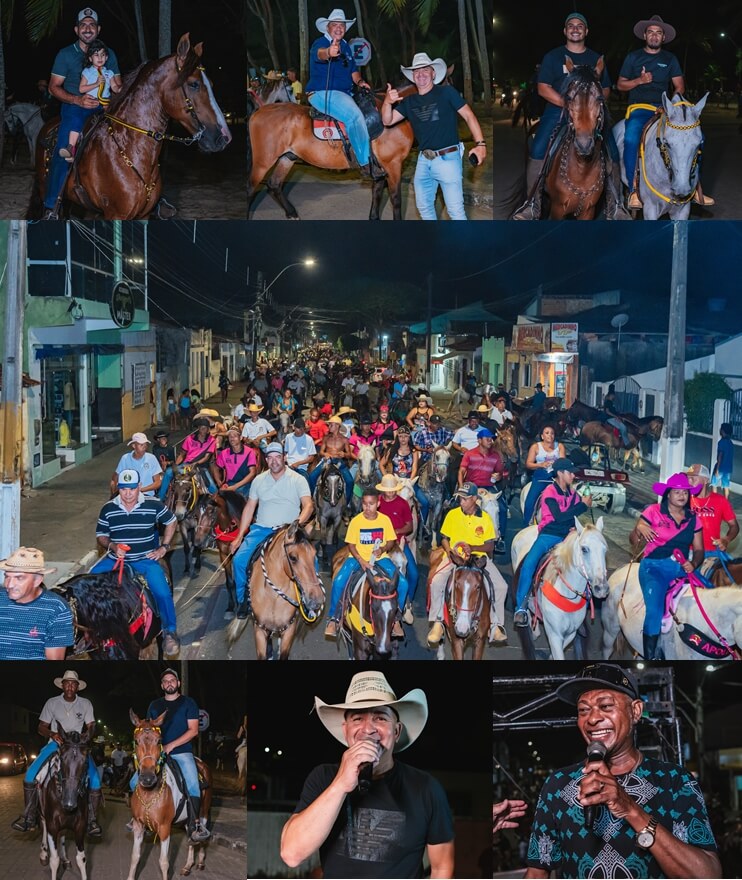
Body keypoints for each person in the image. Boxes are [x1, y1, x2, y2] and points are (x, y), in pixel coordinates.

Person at [525, 663, 720, 879]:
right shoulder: (558, 784)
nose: (592, 719)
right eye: (583, 710)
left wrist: (630, 810)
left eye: (606, 706)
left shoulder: (675, 781)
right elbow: (537, 872)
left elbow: (708, 875)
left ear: (635, 711)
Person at [281, 671, 454, 877]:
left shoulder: (426, 787)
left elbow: (442, 867)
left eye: (380, 717)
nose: (368, 729)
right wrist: (341, 785)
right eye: (357, 718)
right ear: (346, 731)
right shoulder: (323, 778)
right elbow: (291, 854)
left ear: (397, 731)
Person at [512, 13, 620, 221]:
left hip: (590, 113)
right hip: (558, 110)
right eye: (571, 26)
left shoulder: (595, 59)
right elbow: (543, 88)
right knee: (538, 146)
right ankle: (532, 203)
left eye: (580, 26)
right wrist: (570, 105)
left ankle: (616, 205)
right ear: (565, 31)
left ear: (586, 31)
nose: (576, 28)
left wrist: (592, 104)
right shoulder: (553, 57)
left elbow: (605, 89)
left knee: (612, 149)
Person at [618, 14, 713, 210]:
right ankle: (634, 190)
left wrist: (672, 105)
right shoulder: (633, 57)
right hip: (640, 108)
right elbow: (620, 85)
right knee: (630, 139)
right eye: (650, 32)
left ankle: (695, 187)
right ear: (645, 35)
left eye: (658, 33)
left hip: (667, 109)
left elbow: (679, 86)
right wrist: (639, 81)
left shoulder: (670, 59)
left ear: (663, 38)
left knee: (699, 137)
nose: (654, 36)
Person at [382, 52, 486, 221]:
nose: (421, 74)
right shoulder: (409, 101)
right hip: (424, 161)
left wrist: (480, 144)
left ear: (433, 73)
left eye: (425, 69)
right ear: (413, 76)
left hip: (448, 158)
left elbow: (469, 116)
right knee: (424, 207)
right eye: (416, 71)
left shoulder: (446, 93)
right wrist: (387, 102)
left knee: (455, 212)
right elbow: (388, 120)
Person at [42, 7, 121, 219]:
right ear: (77, 30)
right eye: (83, 25)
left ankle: (151, 197)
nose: (88, 29)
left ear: (98, 29)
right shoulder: (65, 54)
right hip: (74, 105)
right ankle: (51, 206)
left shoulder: (108, 53)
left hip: (104, 106)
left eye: (92, 25)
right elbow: (54, 87)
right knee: (62, 150)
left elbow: (118, 84)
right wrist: (77, 99)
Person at [92, 468, 180, 656]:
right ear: (118, 487)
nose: (128, 493)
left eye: (132, 489)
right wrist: (113, 546)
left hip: (144, 560)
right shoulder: (108, 508)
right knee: (89, 581)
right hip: (115, 560)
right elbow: (101, 535)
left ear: (139, 487)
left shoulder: (153, 504)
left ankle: (169, 631)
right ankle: (90, 632)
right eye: (124, 489)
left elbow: (171, 521)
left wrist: (164, 547)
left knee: (163, 593)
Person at [11, 670, 103, 835]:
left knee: (95, 779)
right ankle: (29, 817)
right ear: (62, 685)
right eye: (66, 683)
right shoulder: (52, 703)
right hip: (55, 744)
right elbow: (41, 727)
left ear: (77, 687)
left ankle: (92, 821)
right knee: (30, 774)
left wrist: (86, 736)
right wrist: (52, 734)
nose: (69, 686)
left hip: (77, 746)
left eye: (73, 683)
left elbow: (91, 726)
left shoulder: (86, 703)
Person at [229, 442, 314, 618]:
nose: (274, 461)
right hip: (261, 529)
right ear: (266, 460)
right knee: (238, 561)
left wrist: (296, 524)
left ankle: (309, 598)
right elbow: (250, 508)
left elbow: (308, 506)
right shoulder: (259, 480)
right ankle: (243, 601)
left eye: (278, 457)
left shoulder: (298, 479)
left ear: (284, 457)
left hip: (288, 531)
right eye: (270, 458)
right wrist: (239, 536)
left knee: (310, 561)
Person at [630, 471, 704, 660]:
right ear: (668, 494)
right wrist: (639, 528)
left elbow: (699, 550)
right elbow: (633, 541)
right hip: (653, 568)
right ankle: (650, 658)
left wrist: (694, 563)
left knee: (707, 594)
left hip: (680, 568)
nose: (682, 496)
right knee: (654, 612)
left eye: (686, 493)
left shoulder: (694, 519)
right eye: (678, 492)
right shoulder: (653, 511)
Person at [132, 669, 210, 843]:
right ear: (162, 685)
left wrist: (171, 745)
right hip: (157, 754)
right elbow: (149, 729)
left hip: (182, 752)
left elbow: (194, 730)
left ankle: (194, 824)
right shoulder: (154, 705)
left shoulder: (189, 703)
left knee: (192, 784)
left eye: (172, 680)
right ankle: (138, 819)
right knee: (132, 781)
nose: (169, 683)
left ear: (178, 683)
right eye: (166, 681)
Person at [427, 482, 509, 646]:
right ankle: (437, 621)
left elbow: (490, 545)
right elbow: (444, 538)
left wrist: (473, 548)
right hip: (455, 557)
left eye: (464, 499)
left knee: (502, 587)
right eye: (460, 498)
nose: (461, 502)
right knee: (436, 582)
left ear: (474, 499)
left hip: (478, 558)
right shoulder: (452, 514)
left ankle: (495, 625)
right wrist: (451, 551)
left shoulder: (485, 518)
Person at [513, 458, 592, 626]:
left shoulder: (573, 494)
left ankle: (587, 594)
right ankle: (521, 606)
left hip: (567, 536)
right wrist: (583, 506)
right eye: (570, 472)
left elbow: (572, 517)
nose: (573, 475)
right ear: (560, 474)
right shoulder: (549, 492)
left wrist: (574, 525)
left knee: (587, 557)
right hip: (549, 535)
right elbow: (559, 517)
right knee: (528, 564)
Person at [305, 8, 382, 179]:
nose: (339, 28)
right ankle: (364, 163)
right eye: (335, 25)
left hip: (344, 93)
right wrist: (329, 52)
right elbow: (321, 55)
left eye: (342, 25)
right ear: (328, 28)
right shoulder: (320, 43)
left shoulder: (346, 47)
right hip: (322, 93)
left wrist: (361, 82)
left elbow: (354, 71)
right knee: (354, 116)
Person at [324, 487, 410, 639]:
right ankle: (334, 617)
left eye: (371, 504)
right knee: (338, 581)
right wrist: (361, 560)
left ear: (378, 504)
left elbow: (391, 540)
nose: (367, 507)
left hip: (381, 559)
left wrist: (383, 548)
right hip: (357, 558)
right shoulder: (356, 521)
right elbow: (351, 544)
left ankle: (396, 618)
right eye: (364, 504)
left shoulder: (385, 520)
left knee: (403, 583)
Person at [0, 547, 72, 660]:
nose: (9, 585)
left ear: (37, 581)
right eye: (7, 577)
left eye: (19, 578)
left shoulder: (56, 608)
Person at [59, 38, 121, 162]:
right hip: (90, 104)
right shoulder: (87, 72)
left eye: (103, 55)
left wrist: (121, 89)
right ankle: (71, 147)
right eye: (96, 55)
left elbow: (115, 87)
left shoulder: (109, 73)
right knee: (77, 118)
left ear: (107, 58)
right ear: (90, 58)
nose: (100, 58)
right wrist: (96, 84)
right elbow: (81, 89)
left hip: (104, 106)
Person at [376, 473, 419, 623]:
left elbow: (409, 526)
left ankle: (407, 603)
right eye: (388, 490)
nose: (391, 492)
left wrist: (396, 532)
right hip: (379, 542)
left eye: (393, 489)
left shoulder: (402, 503)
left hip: (398, 542)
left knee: (413, 573)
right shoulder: (377, 503)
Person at [459, 427, 507, 551]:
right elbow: (462, 471)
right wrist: (461, 486)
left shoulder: (495, 456)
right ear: (479, 440)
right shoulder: (469, 454)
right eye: (487, 438)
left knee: (501, 508)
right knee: (455, 506)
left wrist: (498, 475)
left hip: (488, 486)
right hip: (471, 486)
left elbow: (500, 472)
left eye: (491, 438)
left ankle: (500, 538)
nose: (490, 440)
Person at [686, 463, 739, 559]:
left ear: (705, 480)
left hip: (713, 551)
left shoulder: (720, 500)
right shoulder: (684, 499)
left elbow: (734, 525)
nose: (689, 482)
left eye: (693, 478)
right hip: (690, 551)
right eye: (688, 478)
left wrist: (726, 540)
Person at [160, 417, 218, 498]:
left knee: (213, 489)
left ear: (208, 429)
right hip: (186, 465)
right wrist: (175, 465)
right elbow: (182, 454)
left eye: (205, 428)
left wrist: (195, 463)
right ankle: (160, 497)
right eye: (201, 428)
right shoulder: (189, 439)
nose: (203, 430)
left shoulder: (212, 440)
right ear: (198, 428)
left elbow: (206, 457)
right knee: (168, 473)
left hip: (201, 467)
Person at [522, 425, 566, 525]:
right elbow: (528, 464)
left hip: (555, 478)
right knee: (530, 502)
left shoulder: (559, 446)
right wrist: (540, 465)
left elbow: (564, 463)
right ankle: (526, 524)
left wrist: (557, 466)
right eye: (547, 433)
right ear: (542, 436)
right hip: (540, 477)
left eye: (552, 433)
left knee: (567, 499)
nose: (550, 435)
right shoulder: (536, 447)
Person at [308, 415, 355, 506]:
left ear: (337, 426)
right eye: (329, 425)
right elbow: (321, 451)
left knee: (350, 481)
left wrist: (344, 454)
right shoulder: (326, 438)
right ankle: (313, 500)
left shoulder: (344, 440)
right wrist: (325, 454)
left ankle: (346, 504)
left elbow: (349, 454)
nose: (329, 427)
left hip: (338, 462)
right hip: (327, 461)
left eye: (331, 425)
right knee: (312, 476)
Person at [111, 431, 163, 497]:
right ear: (133, 445)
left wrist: (141, 490)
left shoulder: (151, 458)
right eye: (141, 445)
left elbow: (158, 482)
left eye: (145, 444)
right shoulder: (125, 458)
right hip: (128, 496)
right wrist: (115, 493)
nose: (144, 447)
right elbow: (115, 478)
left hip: (146, 495)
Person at [213, 425, 258, 497]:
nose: (232, 439)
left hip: (245, 485)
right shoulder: (224, 453)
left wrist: (235, 487)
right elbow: (215, 467)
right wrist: (219, 482)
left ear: (240, 438)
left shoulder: (250, 452)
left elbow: (252, 473)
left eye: (234, 436)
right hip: (229, 485)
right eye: (230, 436)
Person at [711, 422, 734, 499]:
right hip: (728, 469)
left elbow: (720, 456)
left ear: (723, 431)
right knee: (726, 485)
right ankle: (726, 501)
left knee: (714, 483)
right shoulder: (731, 443)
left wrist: (717, 469)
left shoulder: (721, 442)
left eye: (721, 429)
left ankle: (715, 500)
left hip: (720, 467)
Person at [153, 430, 177, 500]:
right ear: (158, 440)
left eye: (165, 438)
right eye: (162, 438)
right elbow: (155, 460)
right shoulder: (155, 448)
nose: (164, 439)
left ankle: (161, 496)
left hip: (168, 468)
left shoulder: (170, 448)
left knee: (166, 475)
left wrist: (167, 463)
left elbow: (173, 461)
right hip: (158, 468)